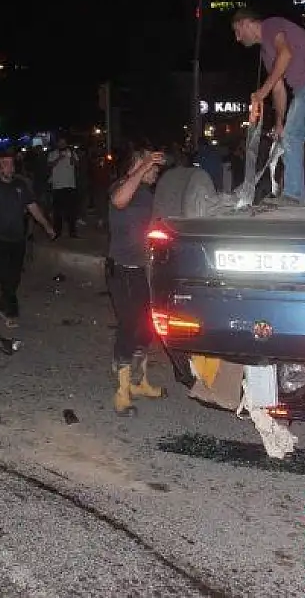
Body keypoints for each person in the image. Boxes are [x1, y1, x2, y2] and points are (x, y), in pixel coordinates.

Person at [231, 8, 305, 207]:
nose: (237, 38)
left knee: (292, 137)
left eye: (237, 31)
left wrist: (262, 92)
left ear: (246, 23)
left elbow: (286, 54)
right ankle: (298, 199)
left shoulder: (271, 25)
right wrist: (279, 122)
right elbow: (279, 89)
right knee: (291, 138)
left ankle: (294, 196)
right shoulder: (265, 53)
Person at [106, 148, 167, 416]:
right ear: (138, 166)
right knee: (129, 326)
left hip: (142, 269)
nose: (155, 171)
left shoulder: (147, 195)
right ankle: (122, 392)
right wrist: (144, 166)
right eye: (151, 167)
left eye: (155, 168)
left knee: (146, 327)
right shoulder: (121, 187)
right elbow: (119, 201)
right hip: (122, 269)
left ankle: (139, 381)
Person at [0, 151, 55, 328]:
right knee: (4, 275)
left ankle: (1, 304)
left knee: (14, 277)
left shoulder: (20, 185)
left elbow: (33, 208)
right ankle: (11, 312)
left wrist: (47, 226)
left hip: (17, 238)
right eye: (5, 164)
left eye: (11, 164)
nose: (10, 167)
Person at [47, 138, 79, 237]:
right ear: (57, 144)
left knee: (71, 210)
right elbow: (49, 165)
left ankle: (72, 232)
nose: (62, 144)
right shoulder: (52, 153)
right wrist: (59, 158)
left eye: (64, 142)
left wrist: (71, 156)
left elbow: (76, 164)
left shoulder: (72, 152)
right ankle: (57, 232)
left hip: (70, 185)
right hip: (58, 186)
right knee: (57, 211)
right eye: (60, 142)